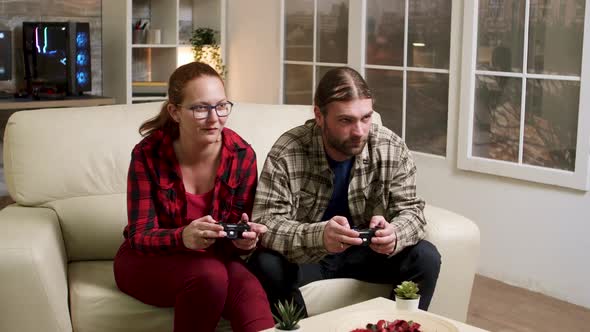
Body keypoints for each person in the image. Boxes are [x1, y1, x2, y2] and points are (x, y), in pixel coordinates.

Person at [248, 67, 442, 317]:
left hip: (367, 254)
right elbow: (265, 224)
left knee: (425, 257)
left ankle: (398, 325)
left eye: (365, 118)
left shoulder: (390, 146)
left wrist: (394, 234)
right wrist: (319, 235)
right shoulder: (289, 150)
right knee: (264, 264)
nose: (359, 131)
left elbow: (413, 212)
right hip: (309, 256)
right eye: (346, 120)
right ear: (319, 115)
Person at [113, 62, 275, 332]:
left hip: (214, 261)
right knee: (209, 275)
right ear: (175, 112)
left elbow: (236, 232)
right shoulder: (148, 154)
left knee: (251, 295)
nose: (215, 119)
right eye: (201, 108)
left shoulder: (242, 155)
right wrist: (182, 237)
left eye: (221, 106)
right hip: (147, 260)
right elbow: (139, 234)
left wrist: (245, 243)